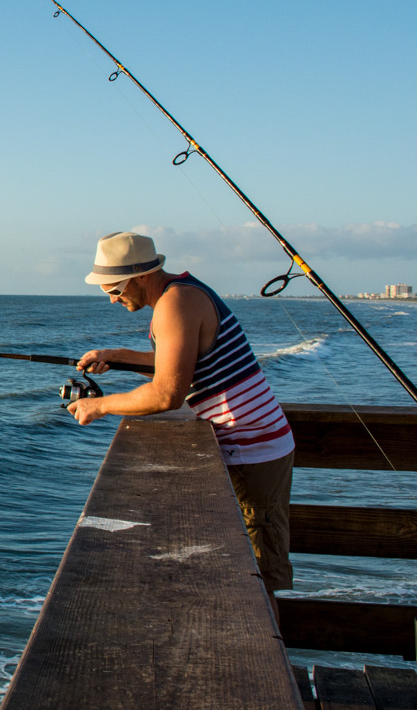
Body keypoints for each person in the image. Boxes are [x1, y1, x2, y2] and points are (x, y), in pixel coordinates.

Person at [68, 231, 295, 601]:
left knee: (258, 581)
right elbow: (180, 364)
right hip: (250, 445)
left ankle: (268, 654)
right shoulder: (182, 292)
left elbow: (168, 394)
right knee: (245, 571)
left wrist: (100, 405)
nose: (111, 298)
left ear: (141, 276)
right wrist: (118, 354)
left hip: (255, 451)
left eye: (115, 288)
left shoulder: (176, 304)